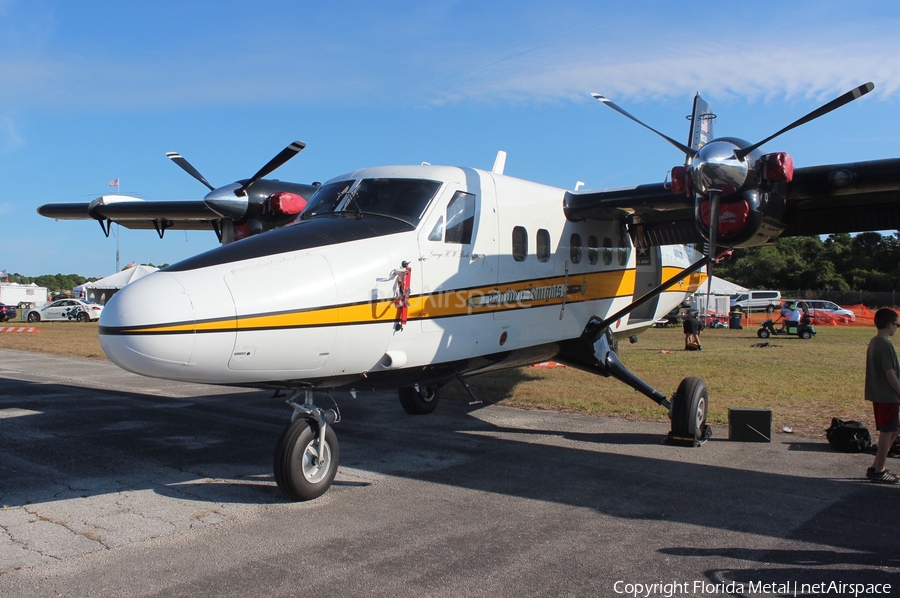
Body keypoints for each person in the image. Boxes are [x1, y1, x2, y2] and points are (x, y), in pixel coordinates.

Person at [864, 308, 900, 484]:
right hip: (888, 396)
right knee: (887, 431)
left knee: (894, 429)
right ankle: (879, 471)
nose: (897, 328)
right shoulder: (885, 345)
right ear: (889, 324)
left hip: (879, 394)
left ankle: (877, 465)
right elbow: (890, 374)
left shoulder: (874, 342)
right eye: (896, 324)